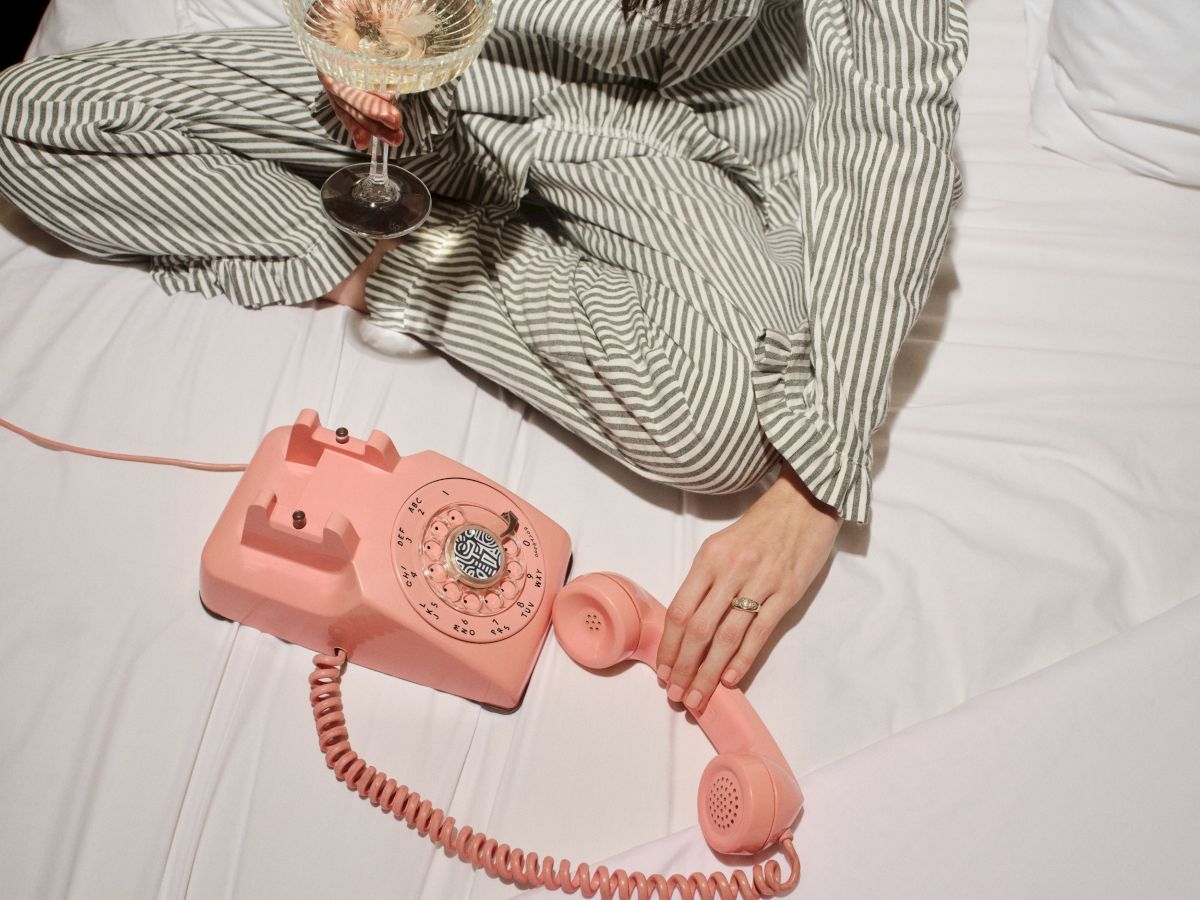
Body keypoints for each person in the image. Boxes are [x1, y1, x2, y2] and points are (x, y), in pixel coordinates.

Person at [0, 0, 968, 716]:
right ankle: (385, 221)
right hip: (460, 72)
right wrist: (371, 46)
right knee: (33, 124)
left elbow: (898, 118)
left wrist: (818, 484)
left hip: (680, 151)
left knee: (715, 425)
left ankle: (403, 251)